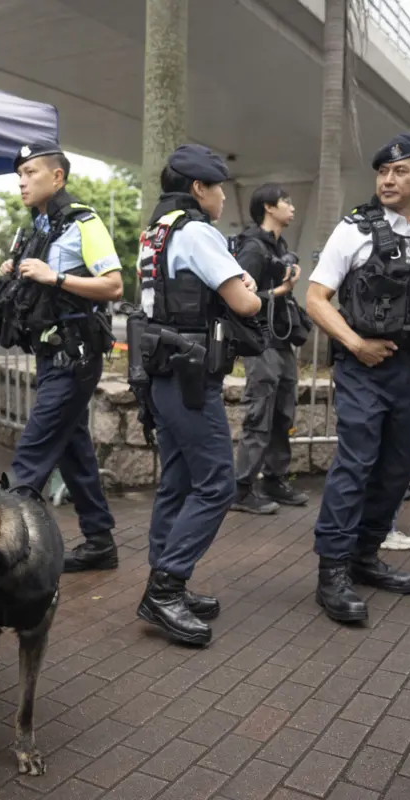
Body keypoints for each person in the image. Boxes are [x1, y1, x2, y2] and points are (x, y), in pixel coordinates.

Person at [304, 132, 410, 623]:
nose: (388, 180)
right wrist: (356, 344)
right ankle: (332, 570)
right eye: (382, 172)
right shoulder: (354, 230)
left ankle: (365, 555)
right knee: (356, 464)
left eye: (400, 172)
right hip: (364, 369)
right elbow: (315, 298)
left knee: (397, 470)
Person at [131, 144, 262, 646]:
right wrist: (250, 288)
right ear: (197, 188)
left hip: (162, 373)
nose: (223, 197)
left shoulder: (156, 232)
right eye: (218, 188)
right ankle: (165, 588)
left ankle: (165, 580)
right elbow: (244, 303)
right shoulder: (196, 231)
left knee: (179, 482)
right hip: (189, 376)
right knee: (217, 485)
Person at [0, 143, 123, 573]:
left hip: (76, 355)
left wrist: (56, 276)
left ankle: (6, 554)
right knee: (73, 450)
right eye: (20, 174)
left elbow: (113, 285)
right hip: (51, 356)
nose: (22, 181)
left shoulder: (85, 222)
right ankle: (100, 540)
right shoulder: (39, 229)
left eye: (31, 172)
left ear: (57, 177)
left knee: (30, 456)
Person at [231, 184, 309, 514]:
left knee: (283, 413)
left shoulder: (279, 245)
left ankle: (274, 479)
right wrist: (281, 290)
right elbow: (238, 297)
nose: (292, 207)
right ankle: (241, 488)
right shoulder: (252, 246)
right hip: (259, 341)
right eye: (285, 201)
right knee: (260, 413)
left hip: (281, 340)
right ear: (268, 207)